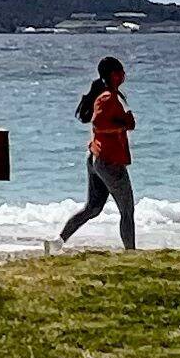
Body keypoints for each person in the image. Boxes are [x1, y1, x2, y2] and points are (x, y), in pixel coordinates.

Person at [55, 55, 139, 250]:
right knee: (127, 210)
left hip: (97, 158)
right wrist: (124, 125)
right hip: (109, 160)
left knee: (93, 208)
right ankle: (131, 252)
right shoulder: (108, 97)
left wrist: (124, 124)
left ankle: (57, 242)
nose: (123, 76)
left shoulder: (109, 95)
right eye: (120, 73)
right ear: (112, 75)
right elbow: (99, 123)